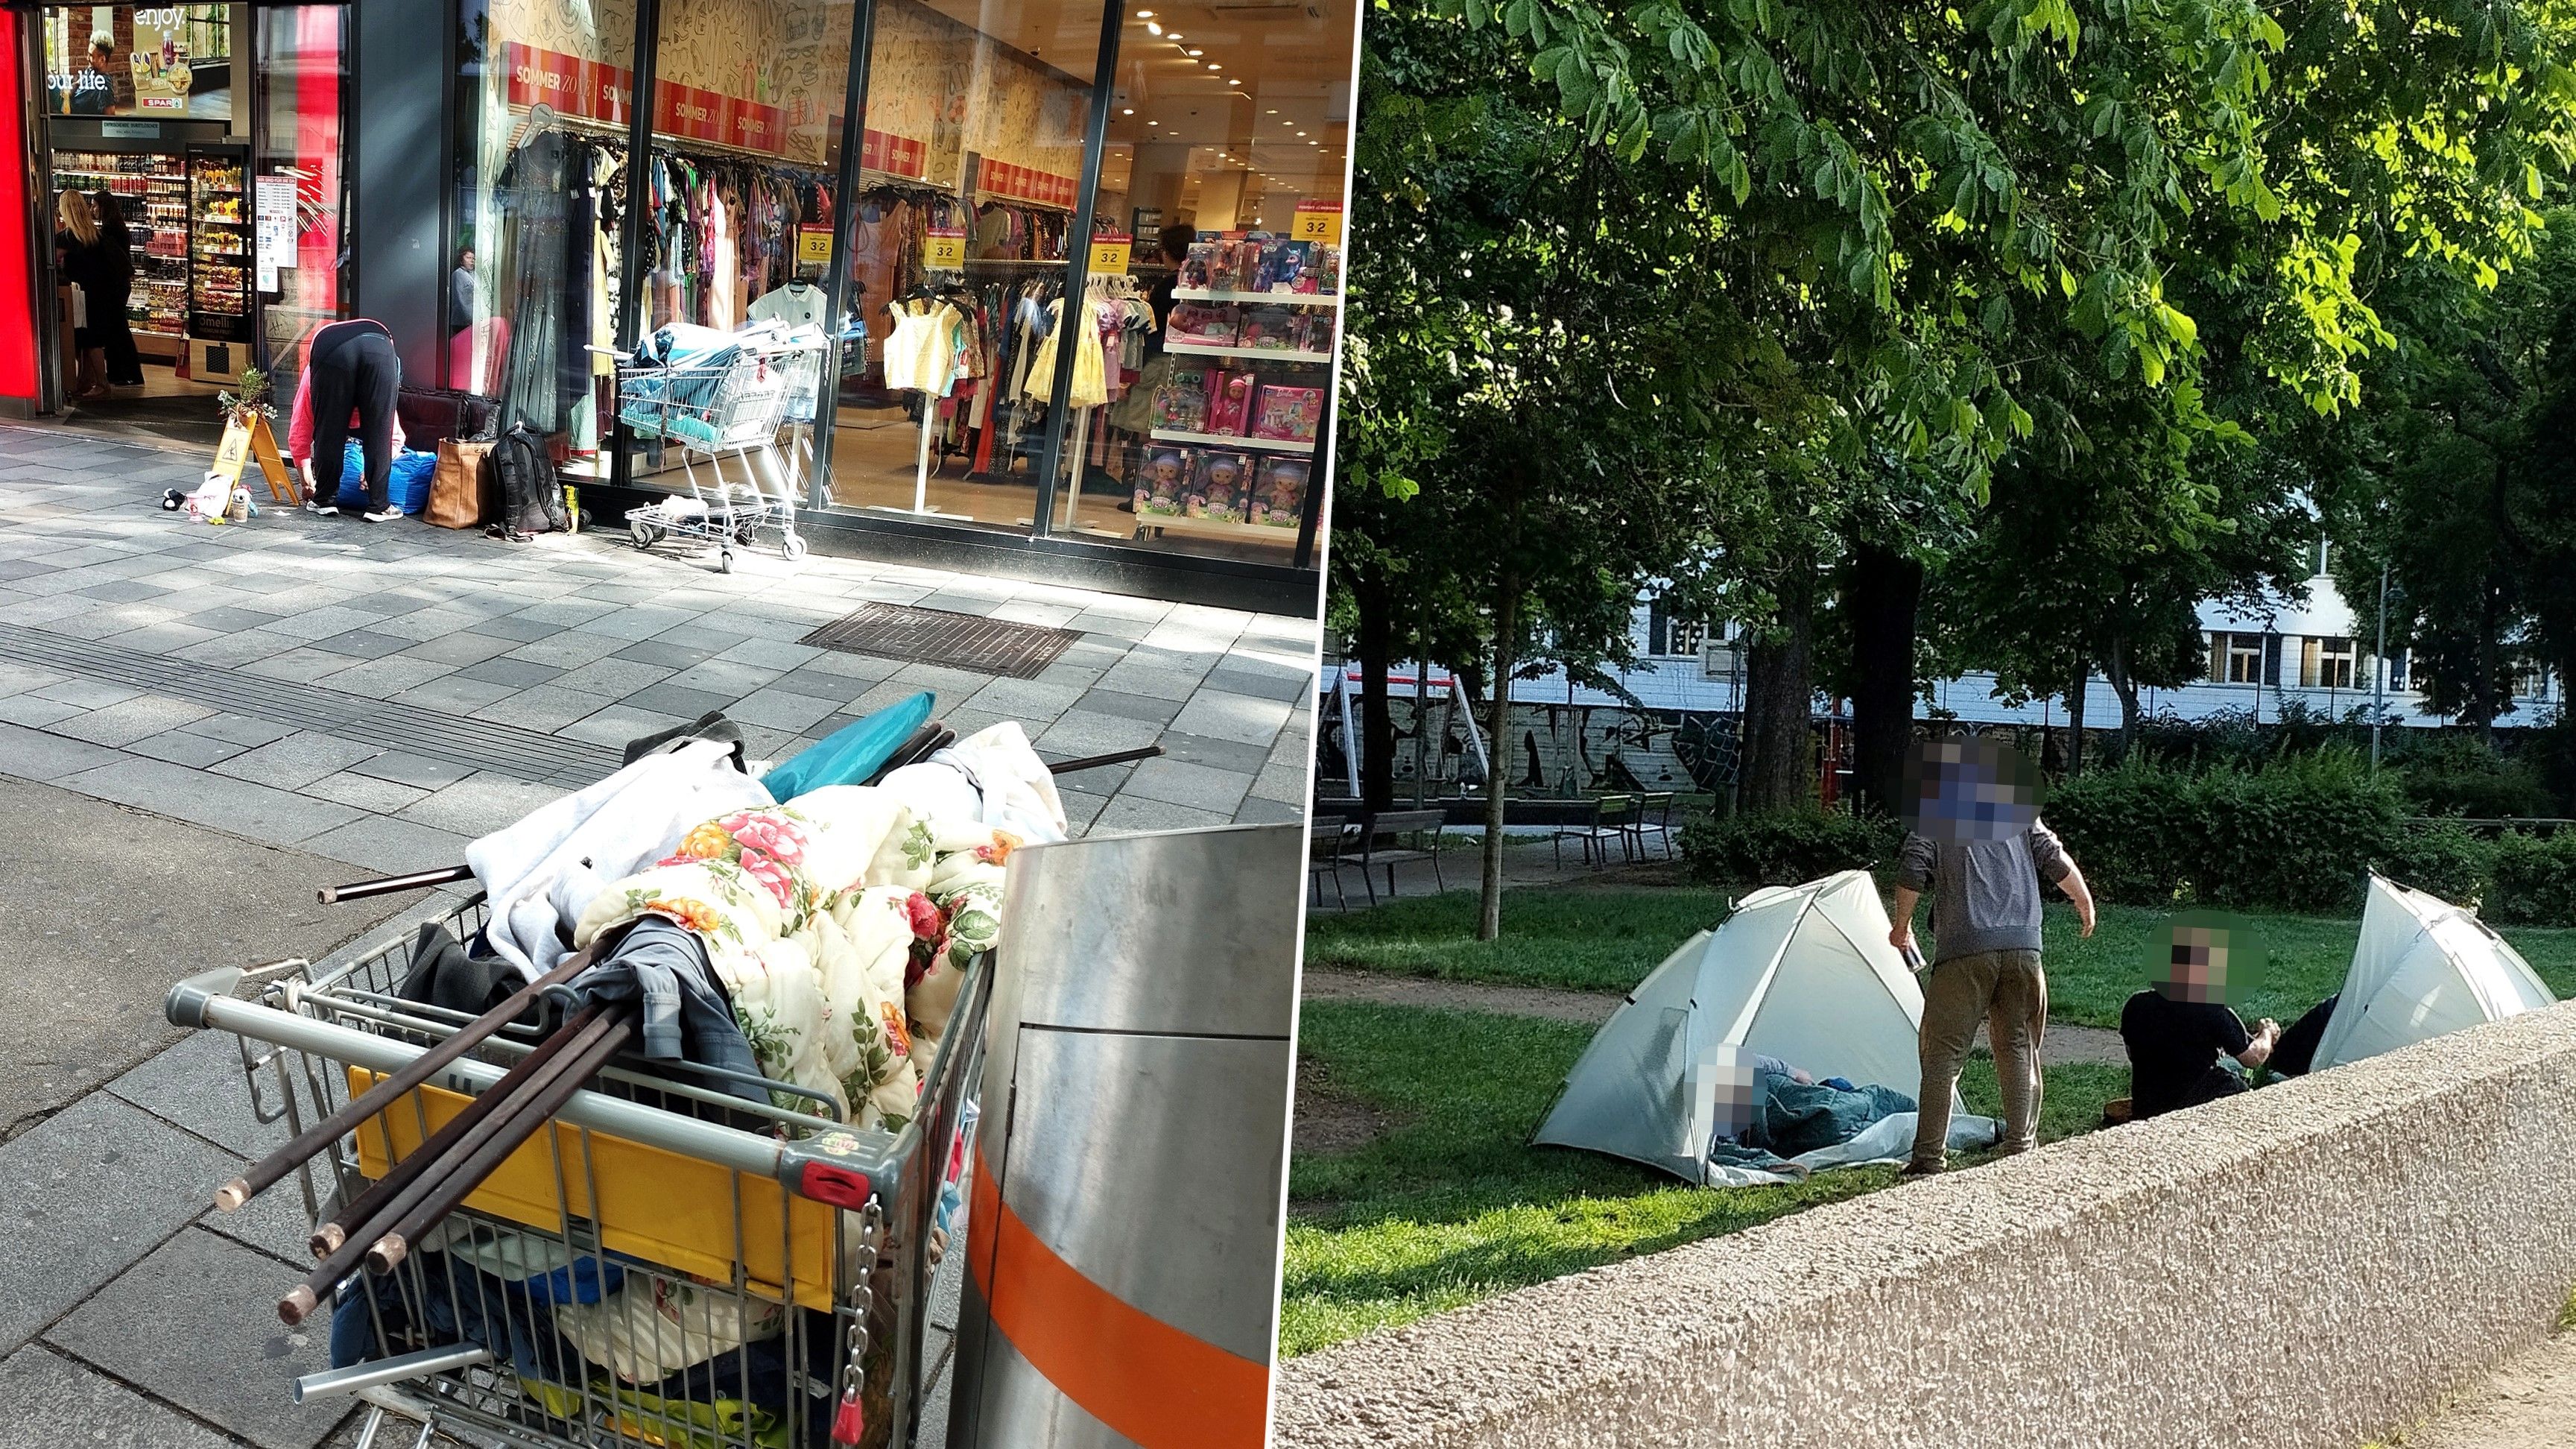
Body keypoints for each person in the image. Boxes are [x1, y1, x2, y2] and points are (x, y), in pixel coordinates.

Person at [1888, 742, 2097, 1176]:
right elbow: (2053, 857)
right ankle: (2020, 1146)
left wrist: (1901, 927)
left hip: (1964, 949)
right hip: (2024, 947)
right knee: (2018, 1043)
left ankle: (1928, 1159)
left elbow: (1913, 868)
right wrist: (2084, 901)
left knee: (1943, 1054)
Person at [288, 318, 405, 522]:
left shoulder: (314, 380)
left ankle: (324, 501)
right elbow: (388, 435)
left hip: (332, 347)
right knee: (379, 430)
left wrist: (308, 483)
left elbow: (300, 431)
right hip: (378, 344)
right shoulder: (312, 378)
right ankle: (379, 507)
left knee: (328, 431)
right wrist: (376, 473)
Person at [2121, 989, 2277, 1119]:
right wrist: (2267, 1032)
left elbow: (2131, 1054)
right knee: (2235, 1076)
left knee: (2230, 1065)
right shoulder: (2210, 1008)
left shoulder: (2137, 1003)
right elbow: (2253, 1058)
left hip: (2147, 1107)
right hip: (2195, 1108)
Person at [53, 189, 115, 401]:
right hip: (99, 292)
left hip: (78, 295)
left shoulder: (66, 237)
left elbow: (54, 262)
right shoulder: (94, 234)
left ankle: (102, 384)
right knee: (91, 340)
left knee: (87, 341)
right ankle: (85, 380)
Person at [87, 192, 142, 388]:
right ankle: (122, 372)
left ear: (103, 207)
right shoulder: (117, 226)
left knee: (117, 329)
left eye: (94, 206)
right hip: (120, 283)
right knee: (117, 328)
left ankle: (124, 372)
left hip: (114, 285)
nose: (92, 210)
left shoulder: (109, 229)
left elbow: (108, 259)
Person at [66, 36, 115, 116]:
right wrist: (69, 92)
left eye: (91, 55)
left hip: (70, 112)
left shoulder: (104, 83)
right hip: (66, 99)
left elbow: (110, 114)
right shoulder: (90, 70)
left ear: (102, 60)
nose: (87, 58)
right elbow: (78, 83)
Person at [449, 247, 475, 335]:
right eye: (468, 258)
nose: (471, 261)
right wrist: (471, 319)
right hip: (462, 322)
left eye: (473, 258)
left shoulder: (474, 274)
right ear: (461, 260)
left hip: (474, 320)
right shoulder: (458, 274)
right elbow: (461, 300)